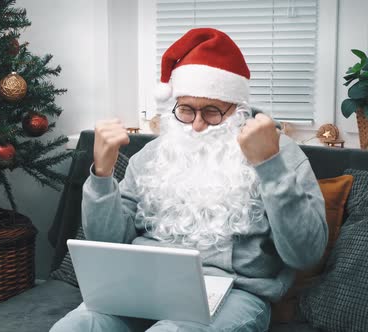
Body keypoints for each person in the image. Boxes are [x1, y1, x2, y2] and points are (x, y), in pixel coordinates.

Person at [50, 28, 327, 332]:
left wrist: (270, 167)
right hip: (140, 286)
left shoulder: (278, 152)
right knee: (76, 326)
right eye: (186, 110)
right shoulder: (156, 153)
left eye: (211, 112)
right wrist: (102, 175)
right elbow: (106, 243)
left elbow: (306, 255)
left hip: (233, 294)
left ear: (237, 108)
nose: (196, 125)